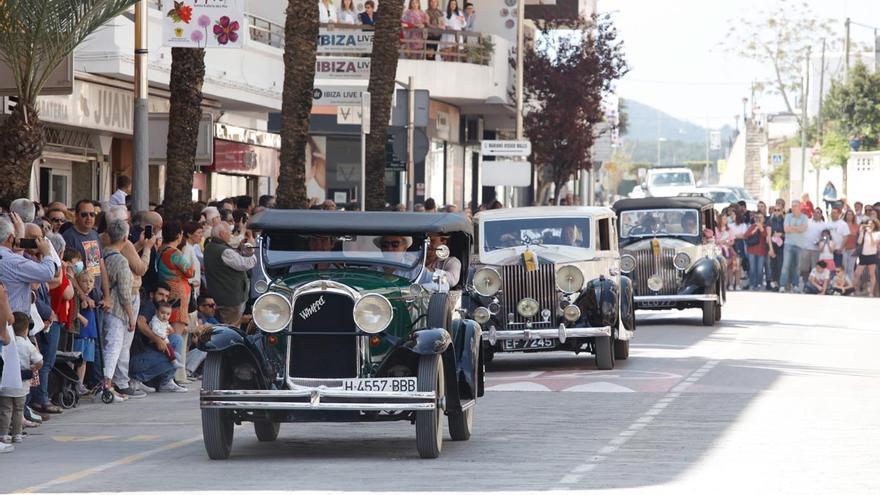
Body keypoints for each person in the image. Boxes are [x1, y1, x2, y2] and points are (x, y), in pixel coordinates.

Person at [129, 283, 187, 393]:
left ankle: (166, 382)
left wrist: (168, 332)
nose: (164, 298)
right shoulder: (149, 306)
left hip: (148, 354)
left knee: (177, 339)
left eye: (166, 296)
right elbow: (140, 323)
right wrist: (157, 339)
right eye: (161, 294)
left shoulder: (160, 310)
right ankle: (136, 380)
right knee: (177, 358)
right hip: (137, 358)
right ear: (152, 295)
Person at [101, 220, 136, 402]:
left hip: (104, 308)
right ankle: (106, 386)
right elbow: (124, 292)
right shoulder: (121, 261)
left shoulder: (103, 254)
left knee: (108, 347)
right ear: (125, 237)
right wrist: (131, 316)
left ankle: (107, 384)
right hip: (116, 310)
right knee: (113, 348)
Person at [0, 313, 42, 448]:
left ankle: (3, 434)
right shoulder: (27, 344)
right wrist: (34, 367)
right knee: (19, 409)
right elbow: (39, 361)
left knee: (6, 409)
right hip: (22, 383)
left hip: (6, 381)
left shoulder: (6, 342)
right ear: (26, 330)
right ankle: (17, 434)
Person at [204, 223, 256, 326]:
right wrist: (250, 247)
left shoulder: (210, 246)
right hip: (230, 299)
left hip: (221, 296)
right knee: (232, 329)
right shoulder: (224, 251)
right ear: (222, 234)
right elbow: (246, 264)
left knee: (226, 326)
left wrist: (240, 248)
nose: (230, 235)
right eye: (229, 232)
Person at [63, 200, 110, 311]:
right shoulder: (68, 237)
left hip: (97, 297)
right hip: (79, 300)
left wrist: (107, 296)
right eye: (84, 214)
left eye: (92, 214)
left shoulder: (94, 234)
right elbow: (68, 272)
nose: (89, 218)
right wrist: (84, 297)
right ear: (76, 216)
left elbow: (101, 265)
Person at [156, 222, 195, 336]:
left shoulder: (161, 250)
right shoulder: (174, 252)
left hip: (166, 291)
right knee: (176, 333)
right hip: (178, 295)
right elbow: (189, 272)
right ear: (178, 235)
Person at [72, 268, 98, 394]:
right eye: (84, 281)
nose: (88, 285)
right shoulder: (78, 297)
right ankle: (71, 382)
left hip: (89, 334)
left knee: (84, 361)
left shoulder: (91, 297)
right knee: (76, 359)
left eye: (91, 282)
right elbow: (73, 310)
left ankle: (80, 384)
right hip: (80, 334)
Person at [779, 200, 808, 292]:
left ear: (800, 207)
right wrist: (797, 229)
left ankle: (795, 285)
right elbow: (786, 229)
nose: (793, 207)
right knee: (786, 265)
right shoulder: (788, 216)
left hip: (799, 245)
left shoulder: (804, 217)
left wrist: (792, 228)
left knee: (797, 266)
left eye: (795, 205)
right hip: (789, 244)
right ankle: (782, 285)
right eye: (792, 205)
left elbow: (803, 229)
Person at [150, 302, 184, 369]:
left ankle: (174, 360)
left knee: (171, 346)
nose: (165, 316)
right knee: (169, 349)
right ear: (157, 312)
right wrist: (164, 335)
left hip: (163, 339)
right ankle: (174, 360)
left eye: (168, 314)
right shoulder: (155, 320)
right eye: (162, 313)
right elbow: (155, 330)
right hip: (155, 341)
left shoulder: (164, 321)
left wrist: (171, 329)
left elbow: (167, 325)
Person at [853, 219, 880, 297]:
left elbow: (873, 244)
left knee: (872, 274)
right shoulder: (865, 232)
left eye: (871, 224)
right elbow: (859, 242)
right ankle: (855, 290)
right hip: (863, 255)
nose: (870, 225)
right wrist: (861, 232)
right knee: (857, 273)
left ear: (875, 225)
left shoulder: (878, 233)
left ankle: (871, 292)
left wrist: (870, 234)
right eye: (868, 224)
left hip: (872, 255)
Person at [801, 208, 827, 284]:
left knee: (814, 268)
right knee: (804, 268)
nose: (816, 214)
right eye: (815, 212)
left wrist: (820, 241)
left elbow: (825, 237)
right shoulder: (807, 222)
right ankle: (805, 282)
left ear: (821, 214)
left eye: (818, 212)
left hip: (816, 250)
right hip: (806, 248)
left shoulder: (823, 225)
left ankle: (812, 284)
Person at [744, 212, 769, 290]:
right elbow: (746, 235)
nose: (759, 219)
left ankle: (759, 284)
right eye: (758, 217)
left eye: (761, 217)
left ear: (764, 219)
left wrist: (761, 228)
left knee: (760, 269)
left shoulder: (765, 227)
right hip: (752, 251)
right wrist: (755, 229)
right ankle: (752, 284)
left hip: (761, 251)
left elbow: (765, 235)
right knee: (752, 268)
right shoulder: (752, 226)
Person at [767, 203, 786, 290]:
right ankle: (773, 282)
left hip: (782, 245)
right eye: (775, 210)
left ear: (782, 211)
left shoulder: (785, 221)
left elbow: (788, 232)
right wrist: (770, 248)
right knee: (773, 264)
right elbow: (769, 235)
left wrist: (781, 234)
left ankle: (780, 282)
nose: (777, 212)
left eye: (779, 210)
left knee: (780, 264)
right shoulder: (770, 221)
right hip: (773, 245)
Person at [842, 210, 860, 277]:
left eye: (851, 214)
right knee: (844, 268)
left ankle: (850, 285)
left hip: (853, 249)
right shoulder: (842, 225)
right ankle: (843, 284)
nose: (849, 216)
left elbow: (859, 238)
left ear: (853, 216)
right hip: (844, 249)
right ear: (845, 216)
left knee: (851, 269)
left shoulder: (857, 226)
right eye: (848, 214)